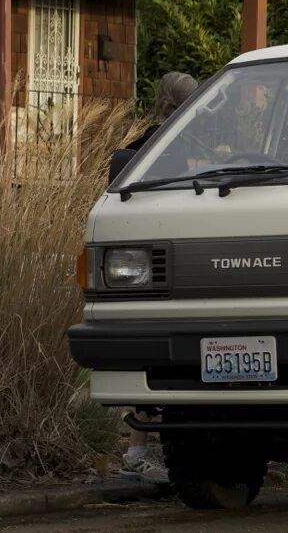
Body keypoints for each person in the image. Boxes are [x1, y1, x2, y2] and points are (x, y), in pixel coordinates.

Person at [119, 72, 197, 485]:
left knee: (158, 361)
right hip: (155, 268)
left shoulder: (144, 142)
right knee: (155, 361)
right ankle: (136, 453)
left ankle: (145, 451)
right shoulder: (159, 145)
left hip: (151, 267)